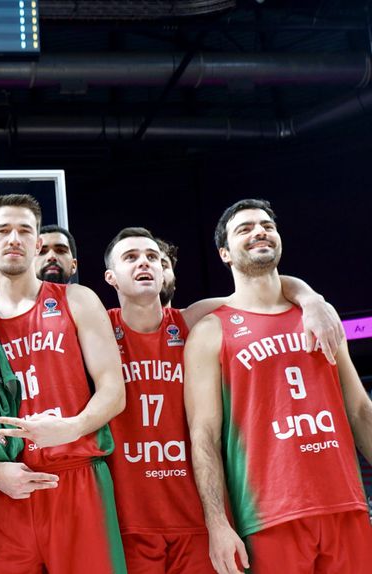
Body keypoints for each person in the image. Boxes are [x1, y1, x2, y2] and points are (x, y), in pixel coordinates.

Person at [103, 226, 342, 574]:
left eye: (153, 257)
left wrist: (311, 299)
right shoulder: (100, 327)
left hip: (196, 516)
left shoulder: (193, 320)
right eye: (131, 257)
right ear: (110, 277)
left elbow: (263, 287)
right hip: (130, 519)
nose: (145, 263)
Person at [185, 199, 372, 574]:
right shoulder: (210, 330)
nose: (260, 232)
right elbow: (204, 436)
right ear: (224, 253)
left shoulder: (320, 315)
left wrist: (311, 298)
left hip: (345, 502)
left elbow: (360, 410)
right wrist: (217, 523)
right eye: (245, 229)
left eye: (267, 225)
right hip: (267, 515)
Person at [0, 194, 127, 574]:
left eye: (24, 230)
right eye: (3, 230)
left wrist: (72, 427)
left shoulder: (77, 300)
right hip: (3, 485)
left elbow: (113, 391)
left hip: (74, 476)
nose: (14, 238)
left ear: (37, 243)